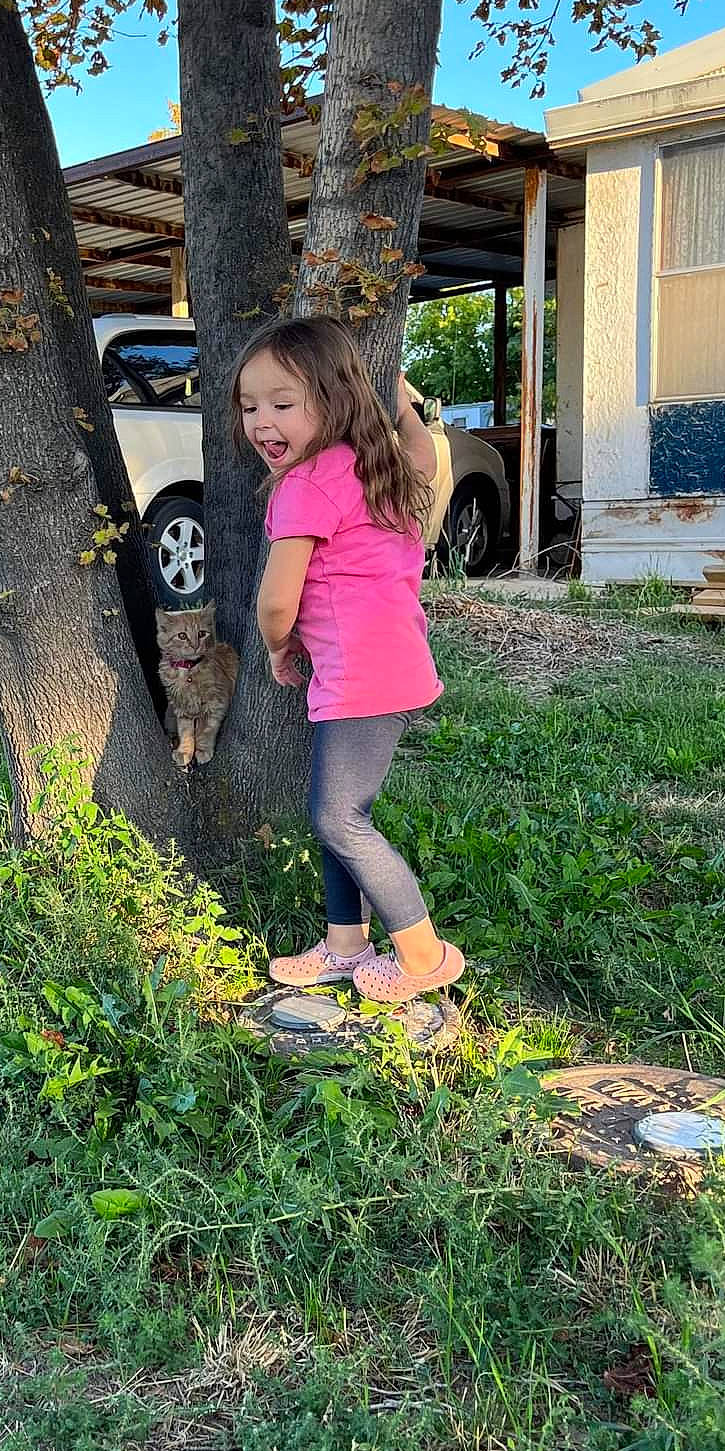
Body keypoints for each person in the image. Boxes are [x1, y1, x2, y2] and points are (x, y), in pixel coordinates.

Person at [231, 314, 465, 1005]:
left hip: (363, 676)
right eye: (249, 407)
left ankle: (423, 956)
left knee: (339, 818)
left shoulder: (305, 485)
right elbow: (423, 451)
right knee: (333, 807)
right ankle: (344, 945)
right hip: (388, 669)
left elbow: (277, 601)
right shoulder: (380, 463)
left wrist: (279, 649)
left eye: (282, 404)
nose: (261, 423)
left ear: (333, 402)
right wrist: (400, 402)